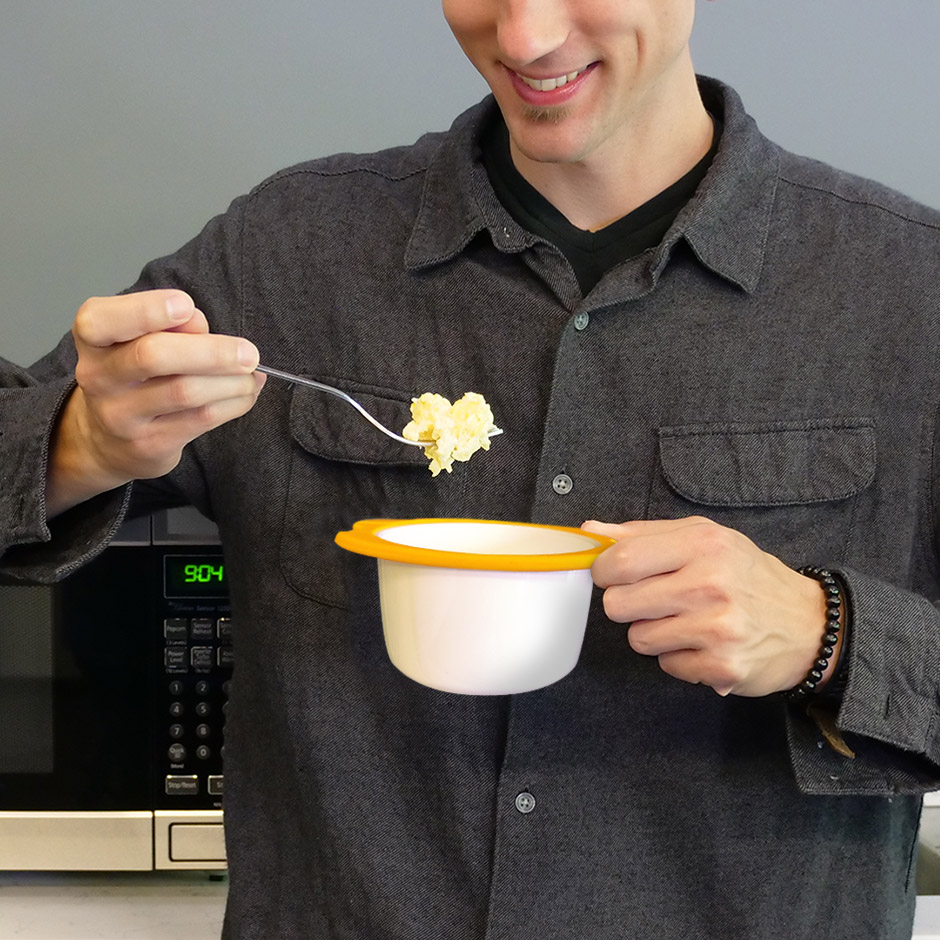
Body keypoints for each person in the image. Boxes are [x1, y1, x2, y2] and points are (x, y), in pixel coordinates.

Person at [3, 1, 940, 937]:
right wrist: (83, 444)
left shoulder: (908, 288)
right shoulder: (284, 253)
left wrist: (829, 635)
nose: (523, 38)